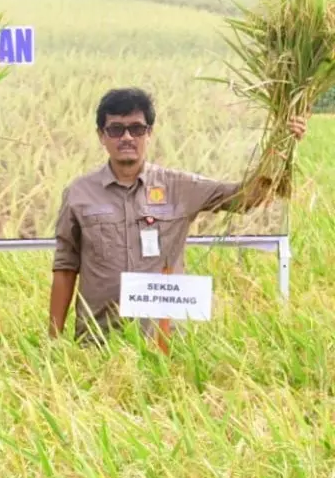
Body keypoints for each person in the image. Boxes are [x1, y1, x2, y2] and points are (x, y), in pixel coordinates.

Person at [50, 87, 307, 345]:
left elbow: (245, 197)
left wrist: (282, 143)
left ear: (149, 133)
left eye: (136, 129)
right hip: (98, 340)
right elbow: (65, 267)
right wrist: (54, 340)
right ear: (101, 136)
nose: (127, 137)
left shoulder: (179, 187)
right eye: (116, 129)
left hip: (164, 342)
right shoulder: (79, 193)